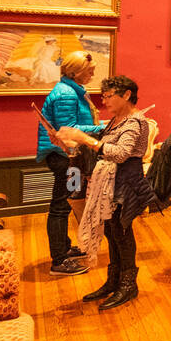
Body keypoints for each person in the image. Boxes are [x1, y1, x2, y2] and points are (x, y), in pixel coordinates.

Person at [58, 75, 157, 311]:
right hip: (110, 183)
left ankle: (128, 284)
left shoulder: (135, 122)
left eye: (108, 96)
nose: (104, 101)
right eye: (103, 96)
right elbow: (103, 150)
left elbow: (121, 153)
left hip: (127, 185)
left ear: (126, 95)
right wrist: (71, 142)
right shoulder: (116, 120)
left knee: (122, 233)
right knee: (112, 232)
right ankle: (114, 280)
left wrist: (85, 139)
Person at [38, 50, 102, 277]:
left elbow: (76, 123)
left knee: (65, 203)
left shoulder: (70, 89)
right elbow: (69, 130)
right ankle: (59, 259)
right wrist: (102, 128)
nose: (92, 76)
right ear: (76, 72)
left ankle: (64, 249)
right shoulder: (67, 93)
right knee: (61, 205)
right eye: (90, 71)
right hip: (66, 157)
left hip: (68, 157)